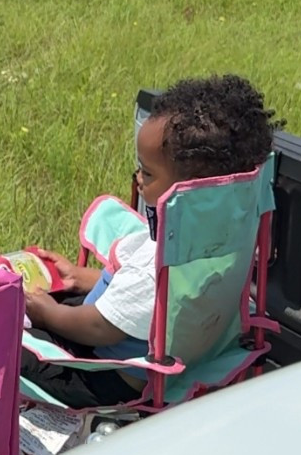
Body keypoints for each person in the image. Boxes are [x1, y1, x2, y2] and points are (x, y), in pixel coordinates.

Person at [20, 74, 276, 416]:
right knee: (52, 297)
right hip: (151, 344)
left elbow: (101, 327)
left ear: (189, 193)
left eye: (148, 173)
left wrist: (48, 315)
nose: (138, 179)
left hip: (107, 377)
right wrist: (80, 278)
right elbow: (147, 304)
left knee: (8, 344)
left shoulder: (153, 268)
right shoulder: (208, 247)